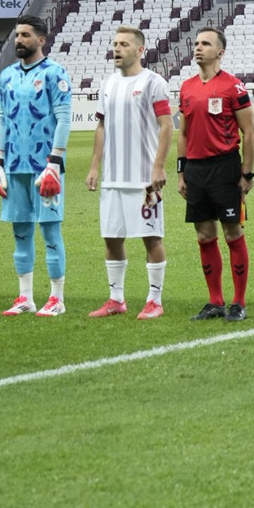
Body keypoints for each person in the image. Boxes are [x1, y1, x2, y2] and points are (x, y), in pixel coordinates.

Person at [86, 26, 173, 319]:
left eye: (123, 44)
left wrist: (158, 166)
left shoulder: (153, 83)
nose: (117, 48)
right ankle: (116, 299)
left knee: (151, 237)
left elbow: (166, 125)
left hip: (142, 179)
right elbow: (101, 126)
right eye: (115, 43)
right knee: (111, 238)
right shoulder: (108, 83)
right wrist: (95, 166)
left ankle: (155, 300)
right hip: (113, 177)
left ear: (139, 50)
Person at [0, 15, 72, 316]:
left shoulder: (55, 73)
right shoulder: (7, 75)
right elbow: (2, 120)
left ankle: (57, 298)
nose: (18, 40)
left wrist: (55, 162)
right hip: (14, 167)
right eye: (17, 35)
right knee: (21, 232)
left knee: (50, 231)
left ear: (41, 40)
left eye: (25, 35)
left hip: (44, 169)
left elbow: (64, 118)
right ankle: (25, 296)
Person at [177, 27, 254, 322]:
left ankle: (238, 302)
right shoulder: (186, 87)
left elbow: (249, 133)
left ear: (220, 51)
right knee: (204, 234)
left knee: (232, 232)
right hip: (196, 170)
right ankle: (215, 301)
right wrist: (181, 172)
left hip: (225, 167)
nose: (198, 48)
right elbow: (183, 133)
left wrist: (247, 173)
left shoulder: (233, 87)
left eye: (206, 44)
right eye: (196, 43)